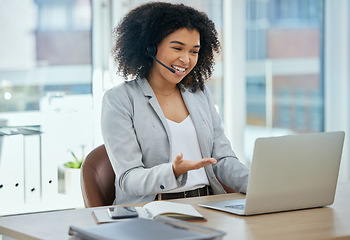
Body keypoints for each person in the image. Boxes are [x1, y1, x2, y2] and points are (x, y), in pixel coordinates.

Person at [101, 2, 249, 205]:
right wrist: (172, 172)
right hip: (151, 210)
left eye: (194, 51)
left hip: (208, 205)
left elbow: (222, 160)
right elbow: (129, 178)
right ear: (151, 47)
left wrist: (259, 183)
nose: (186, 59)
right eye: (177, 48)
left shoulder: (199, 94)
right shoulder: (120, 99)